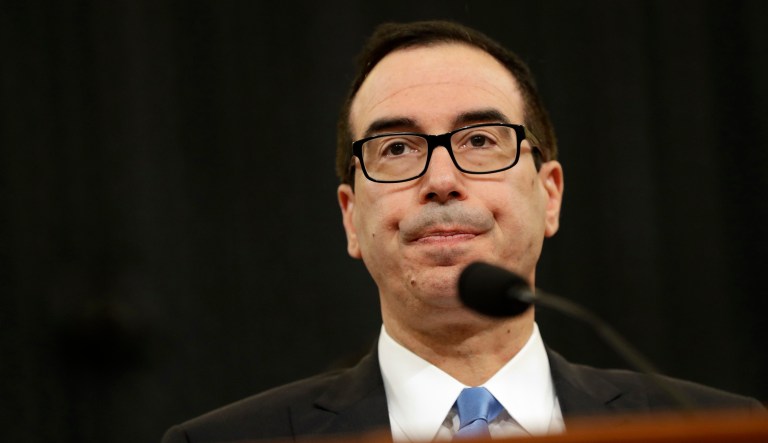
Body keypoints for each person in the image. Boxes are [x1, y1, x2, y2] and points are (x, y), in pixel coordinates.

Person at [162, 20, 763, 443]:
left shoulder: (707, 427)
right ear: (350, 217)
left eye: (479, 140)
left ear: (550, 195)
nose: (442, 180)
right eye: (397, 148)